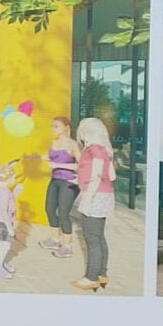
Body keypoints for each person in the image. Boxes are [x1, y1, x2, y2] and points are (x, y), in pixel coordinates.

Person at [72, 118, 116, 291]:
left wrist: (85, 201)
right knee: (99, 236)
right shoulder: (105, 150)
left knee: (91, 239)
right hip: (105, 196)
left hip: (94, 196)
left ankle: (91, 278)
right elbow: (111, 176)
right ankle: (102, 274)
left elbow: (96, 177)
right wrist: (81, 178)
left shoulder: (93, 149)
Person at [36, 116, 82, 259]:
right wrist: (42, 157)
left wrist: (58, 165)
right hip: (55, 179)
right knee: (49, 209)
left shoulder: (73, 144)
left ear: (66, 128)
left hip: (69, 182)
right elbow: (54, 157)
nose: (53, 129)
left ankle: (67, 247)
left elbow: (81, 165)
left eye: (56, 126)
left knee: (63, 213)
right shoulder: (54, 142)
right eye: (52, 126)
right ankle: (55, 240)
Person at [0, 162, 20, 280]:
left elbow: (8, 202)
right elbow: (4, 210)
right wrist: (10, 228)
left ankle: (1, 262)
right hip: (4, 223)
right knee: (5, 245)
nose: (14, 180)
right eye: (13, 177)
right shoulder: (4, 191)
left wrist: (16, 192)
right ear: (9, 178)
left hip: (4, 221)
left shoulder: (3, 189)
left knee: (5, 245)